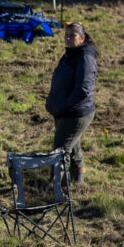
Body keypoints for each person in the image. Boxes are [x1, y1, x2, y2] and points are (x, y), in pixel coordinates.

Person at [44, 21, 96, 181]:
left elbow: (83, 90)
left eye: (72, 36)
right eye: (66, 35)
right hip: (63, 111)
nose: (68, 39)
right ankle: (78, 178)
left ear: (82, 38)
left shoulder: (85, 58)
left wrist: (63, 107)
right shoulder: (71, 54)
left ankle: (56, 188)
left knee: (60, 151)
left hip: (75, 113)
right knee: (73, 147)